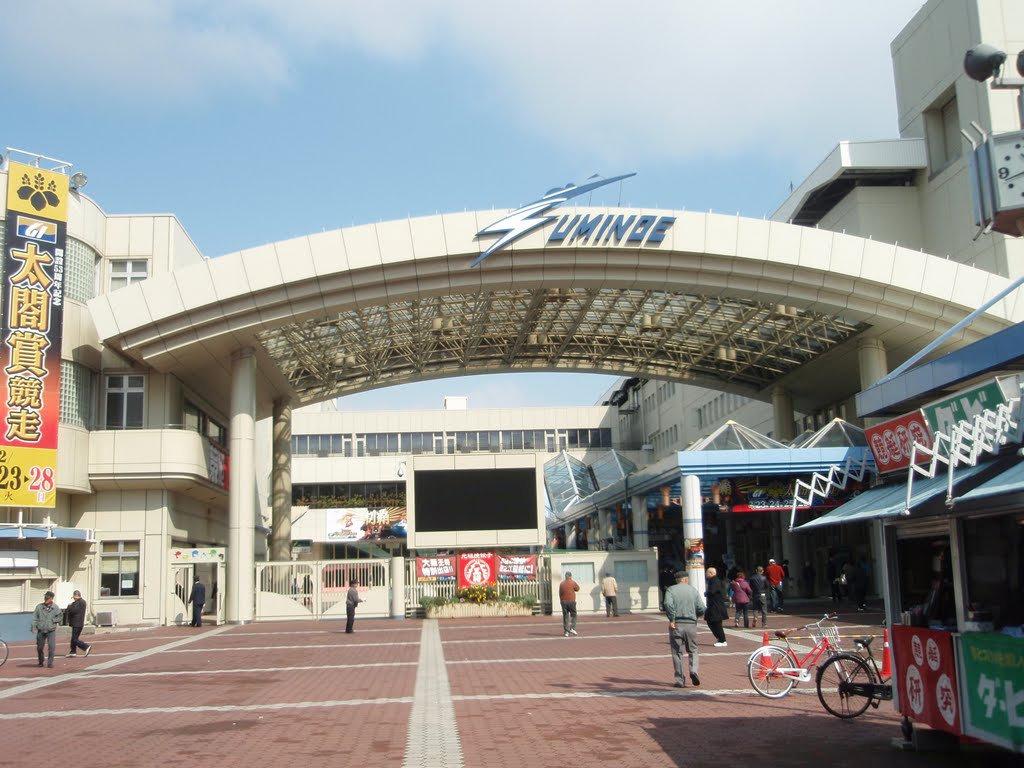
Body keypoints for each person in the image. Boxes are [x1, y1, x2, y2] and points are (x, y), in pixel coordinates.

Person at [663, 570, 705, 687]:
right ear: (686, 579)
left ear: (676, 580)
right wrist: (695, 615)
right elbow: (701, 608)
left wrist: (672, 619)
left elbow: (668, 604)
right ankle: (693, 671)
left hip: (676, 624)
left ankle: (680, 680)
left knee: (677, 652)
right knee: (693, 650)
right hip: (691, 624)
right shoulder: (693, 590)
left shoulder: (671, 590)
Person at [31, 591, 63, 668]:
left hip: (51, 630)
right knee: (39, 647)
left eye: (47, 598)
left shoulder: (55, 607)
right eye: (45, 597)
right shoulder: (39, 607)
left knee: (51, 647)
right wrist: (33, 627)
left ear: (51, 599)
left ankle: (50, 662)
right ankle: (41, 661)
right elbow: (34, 617)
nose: (46, 599)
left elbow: (60, 616)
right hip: (41, 629)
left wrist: (54, 620)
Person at [703, 567, 729, 646]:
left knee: (716, 623)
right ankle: (720, 638)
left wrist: (706, 593)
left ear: (710, 573)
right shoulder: (714, 581)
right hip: (714, 605)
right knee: (711, 621)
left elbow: (712, 591)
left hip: (716, 606)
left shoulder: (715, 581)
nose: (706, 574)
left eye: (707, 573)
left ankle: (722, 640)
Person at [65, 590, 93, 658]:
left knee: (75, 639)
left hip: (76, 623)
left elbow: (74, 611)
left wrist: (69, 607)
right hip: (79, 622)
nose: (73, 598)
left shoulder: (78, 602)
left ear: (76, 595)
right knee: (74, 638)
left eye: (74, 596)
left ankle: (86, 646)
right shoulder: (82, 602)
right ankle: (73, 651)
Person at [559, 571, 580, 636]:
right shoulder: (572, 582)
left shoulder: (562, 584)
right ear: (570, 576)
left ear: (565, 576)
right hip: (571, 601)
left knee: (565, 616)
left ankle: (566, 632)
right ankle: (572, 628)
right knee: (574, 615)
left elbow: (560, 593)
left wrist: (561, 601)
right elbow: (577, 589)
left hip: (564, 602)